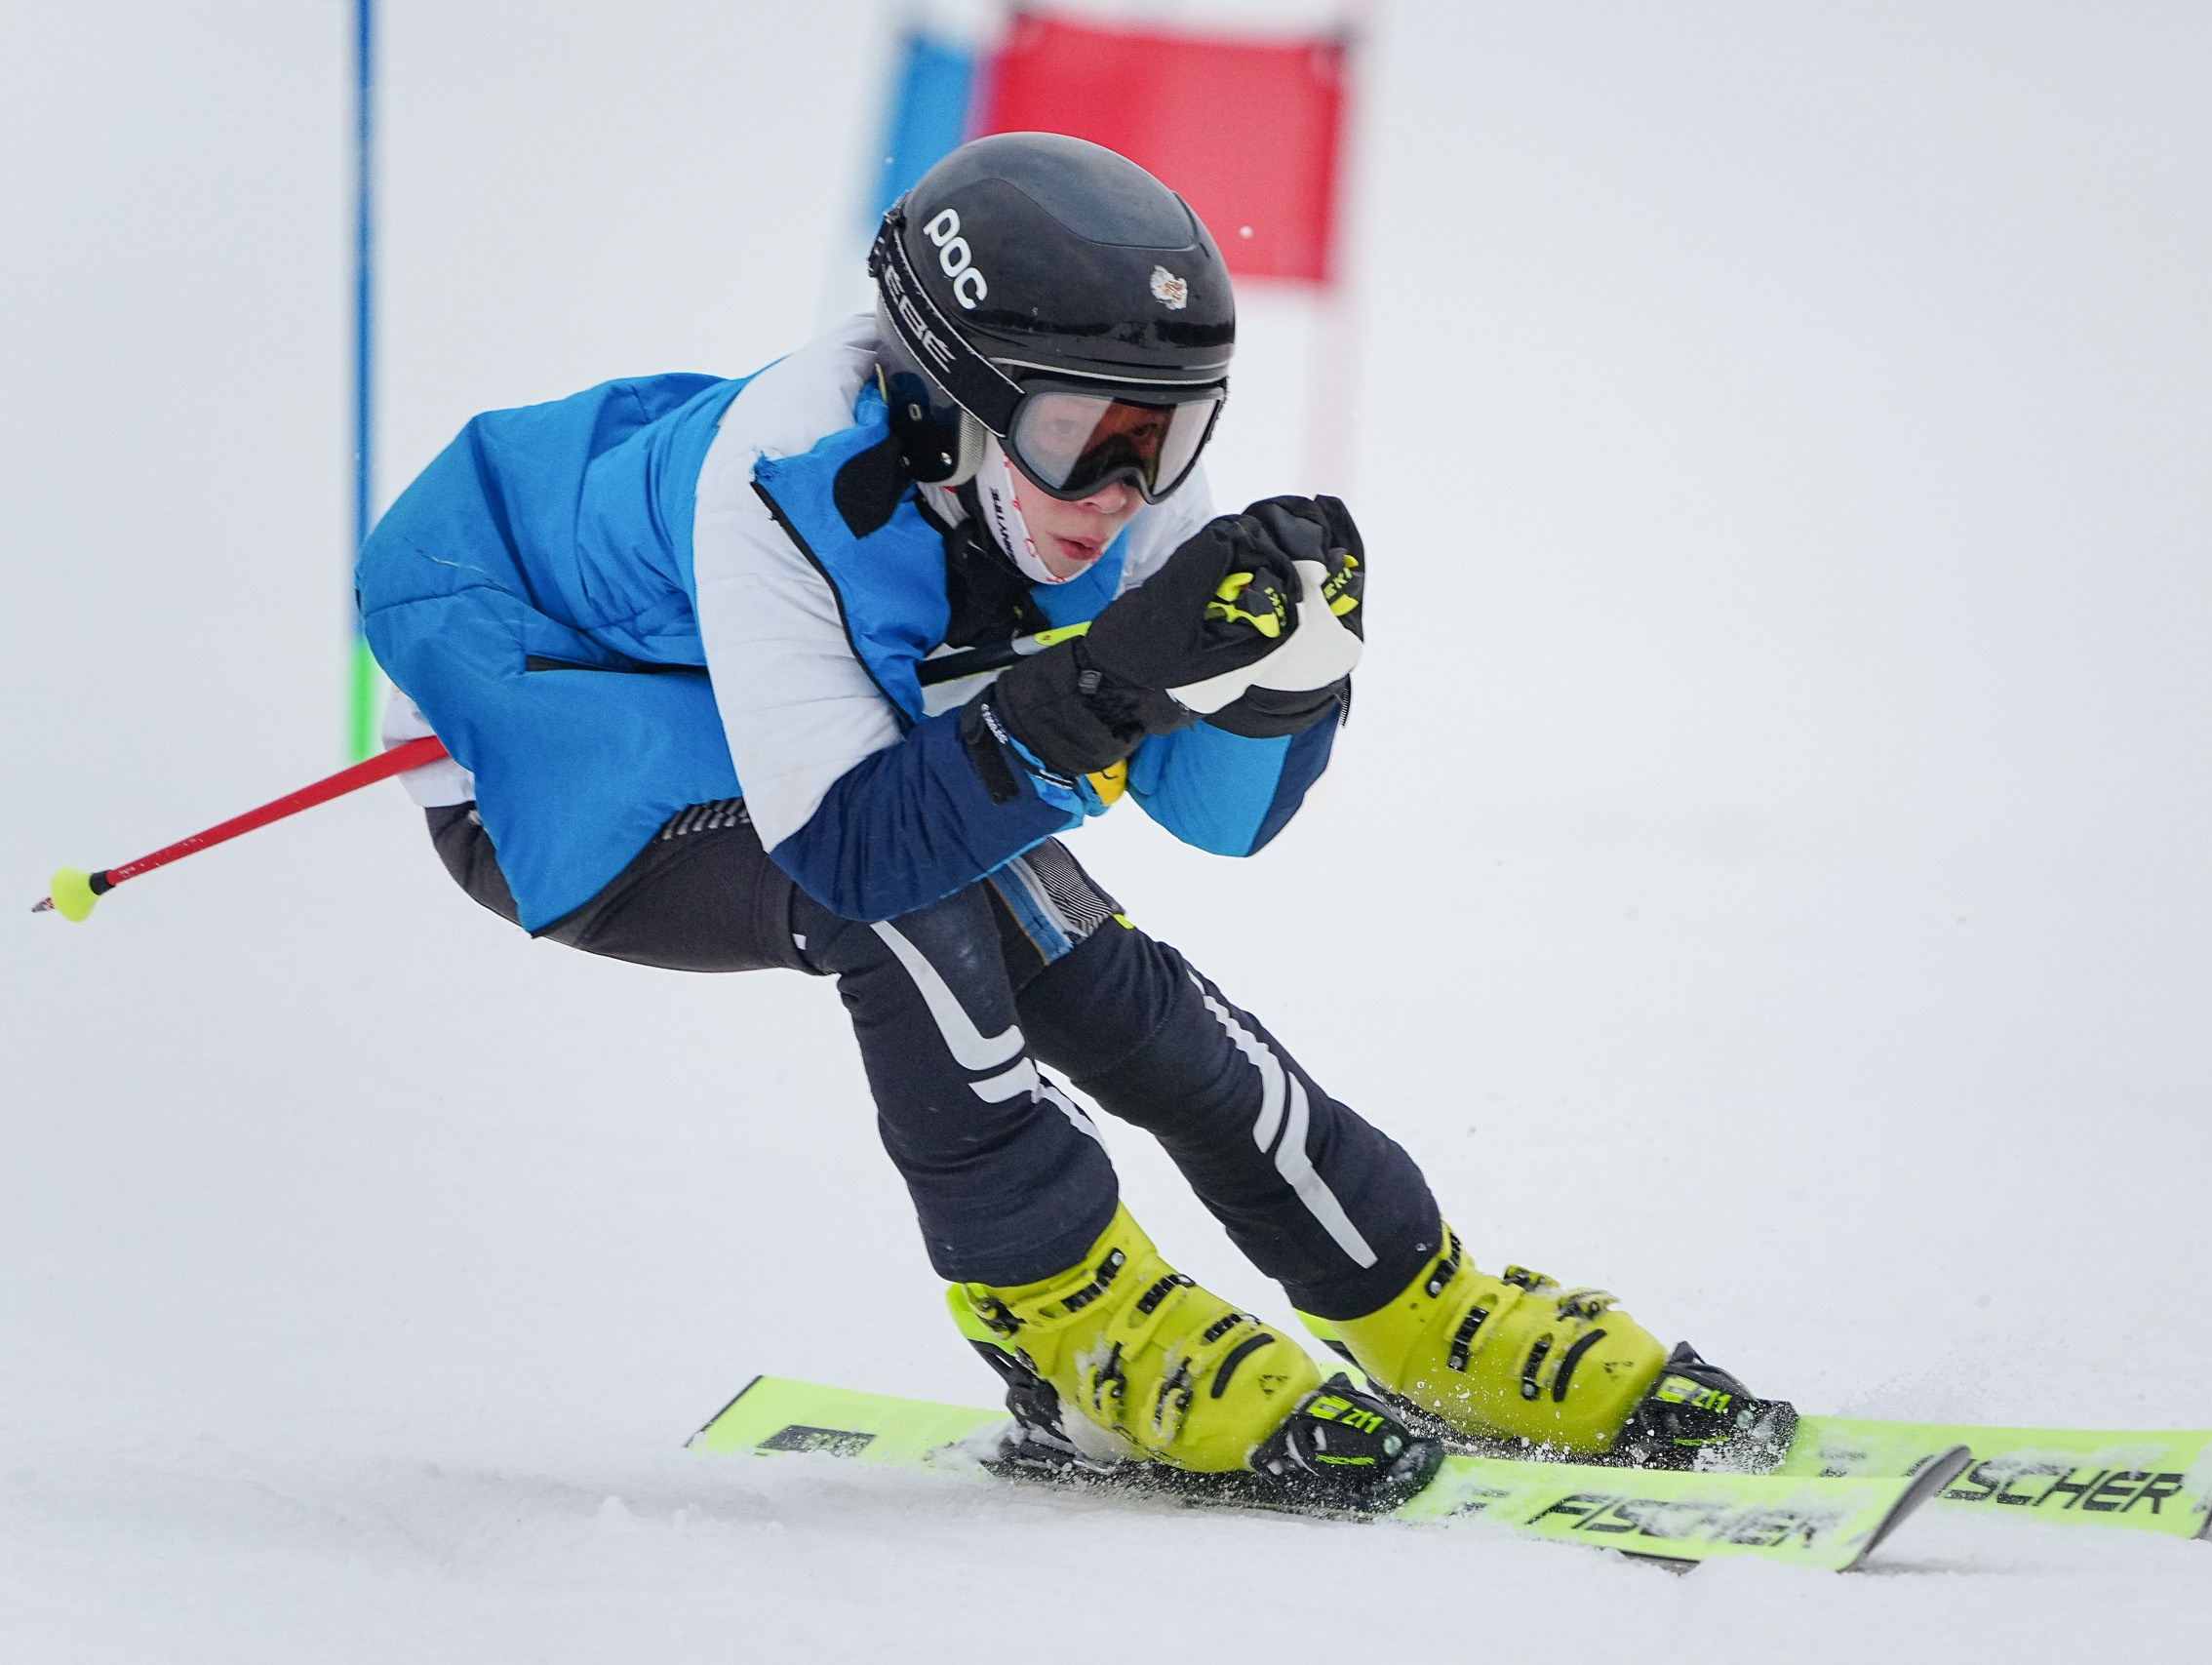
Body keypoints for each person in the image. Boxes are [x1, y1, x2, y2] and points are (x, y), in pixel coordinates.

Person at [358, 133, 1789, 1498]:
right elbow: (853, 847)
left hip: (789, 724)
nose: (1121, 493)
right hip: (536, 721)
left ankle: (1405, 1291)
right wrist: (1100, 686)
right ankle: (1060, 1314)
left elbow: (1218, 823)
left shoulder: (1098, 473)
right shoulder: (776, 482)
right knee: (919, 906)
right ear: (945, 401)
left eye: (1163, 444)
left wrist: (1280, 685)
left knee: (1072, 943)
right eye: (1081, 439)